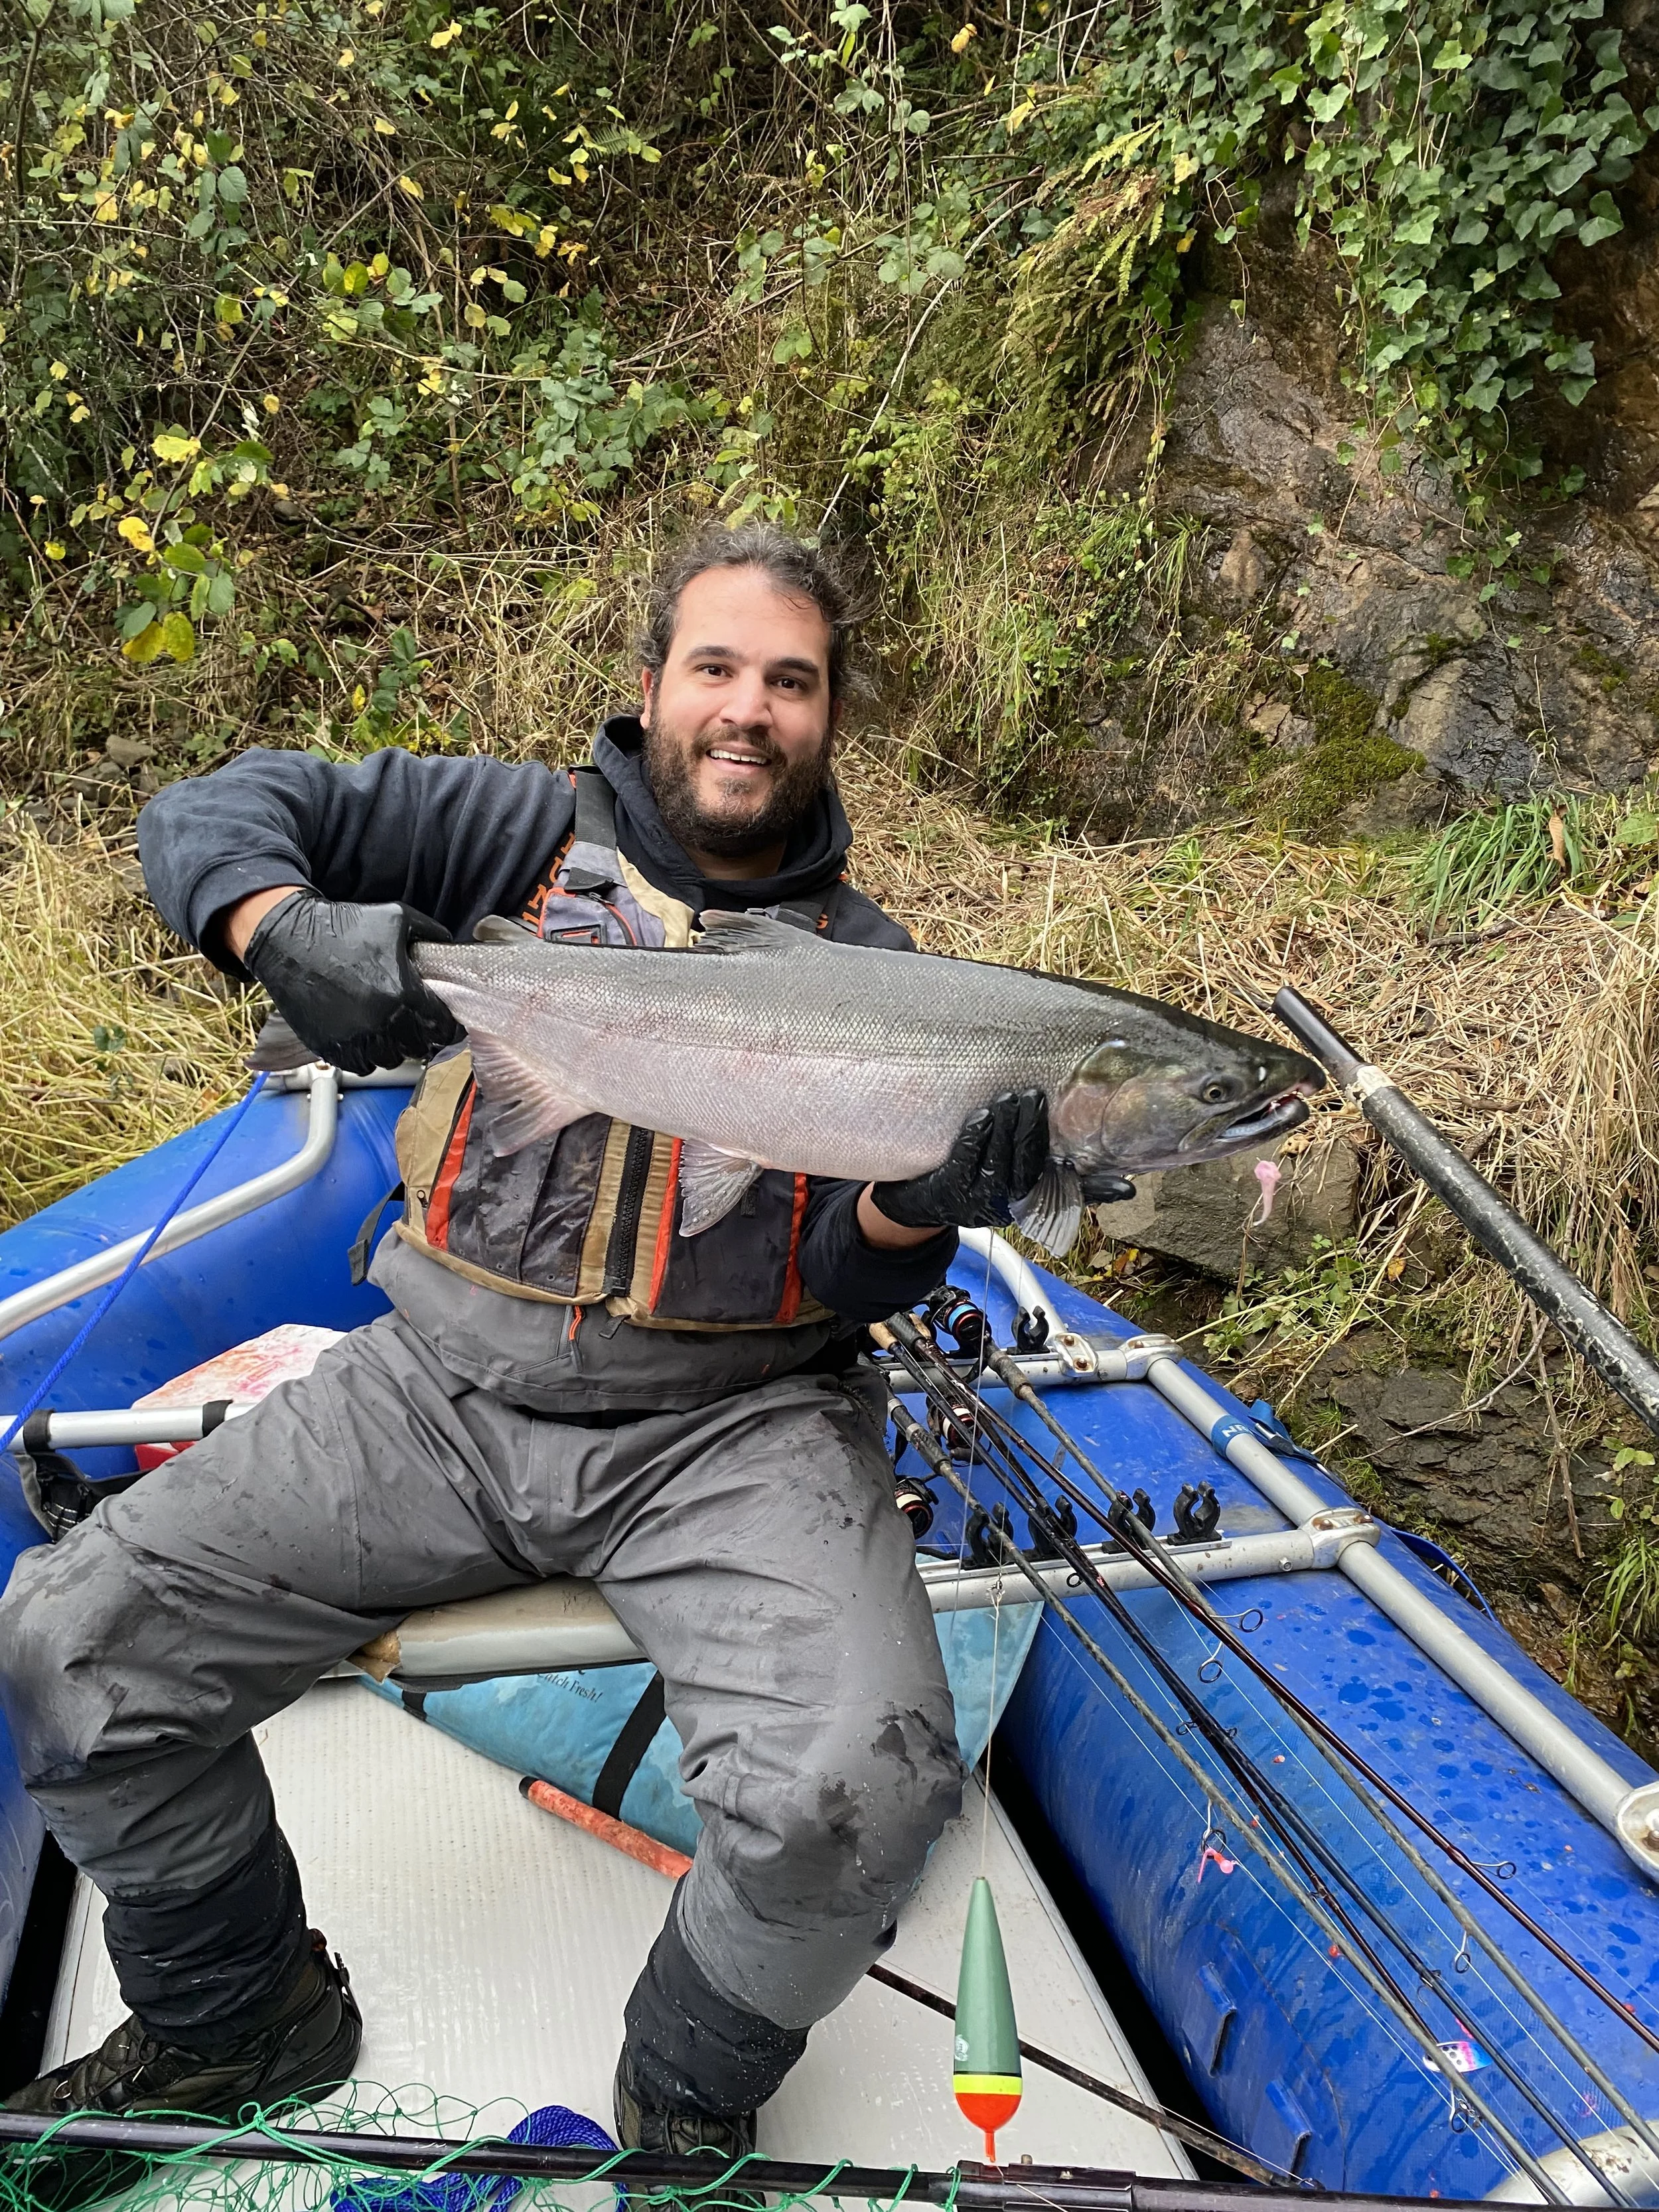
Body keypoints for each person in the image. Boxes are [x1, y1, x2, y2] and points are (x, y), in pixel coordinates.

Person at [0, 523, 1058, 2199]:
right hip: (434, 1394)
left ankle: (684, 2090)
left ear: (830, 718)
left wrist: (922, 1209)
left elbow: (854, 1273)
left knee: (854, 1793)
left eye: (789, 681)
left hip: (736, 1425)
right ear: (649, 692)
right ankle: (239, 2021)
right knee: (70, 1639)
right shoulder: (502, 829)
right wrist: (280, 928)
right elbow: (207, 815)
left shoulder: (889, 975)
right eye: (715, 667)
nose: (746, 708)